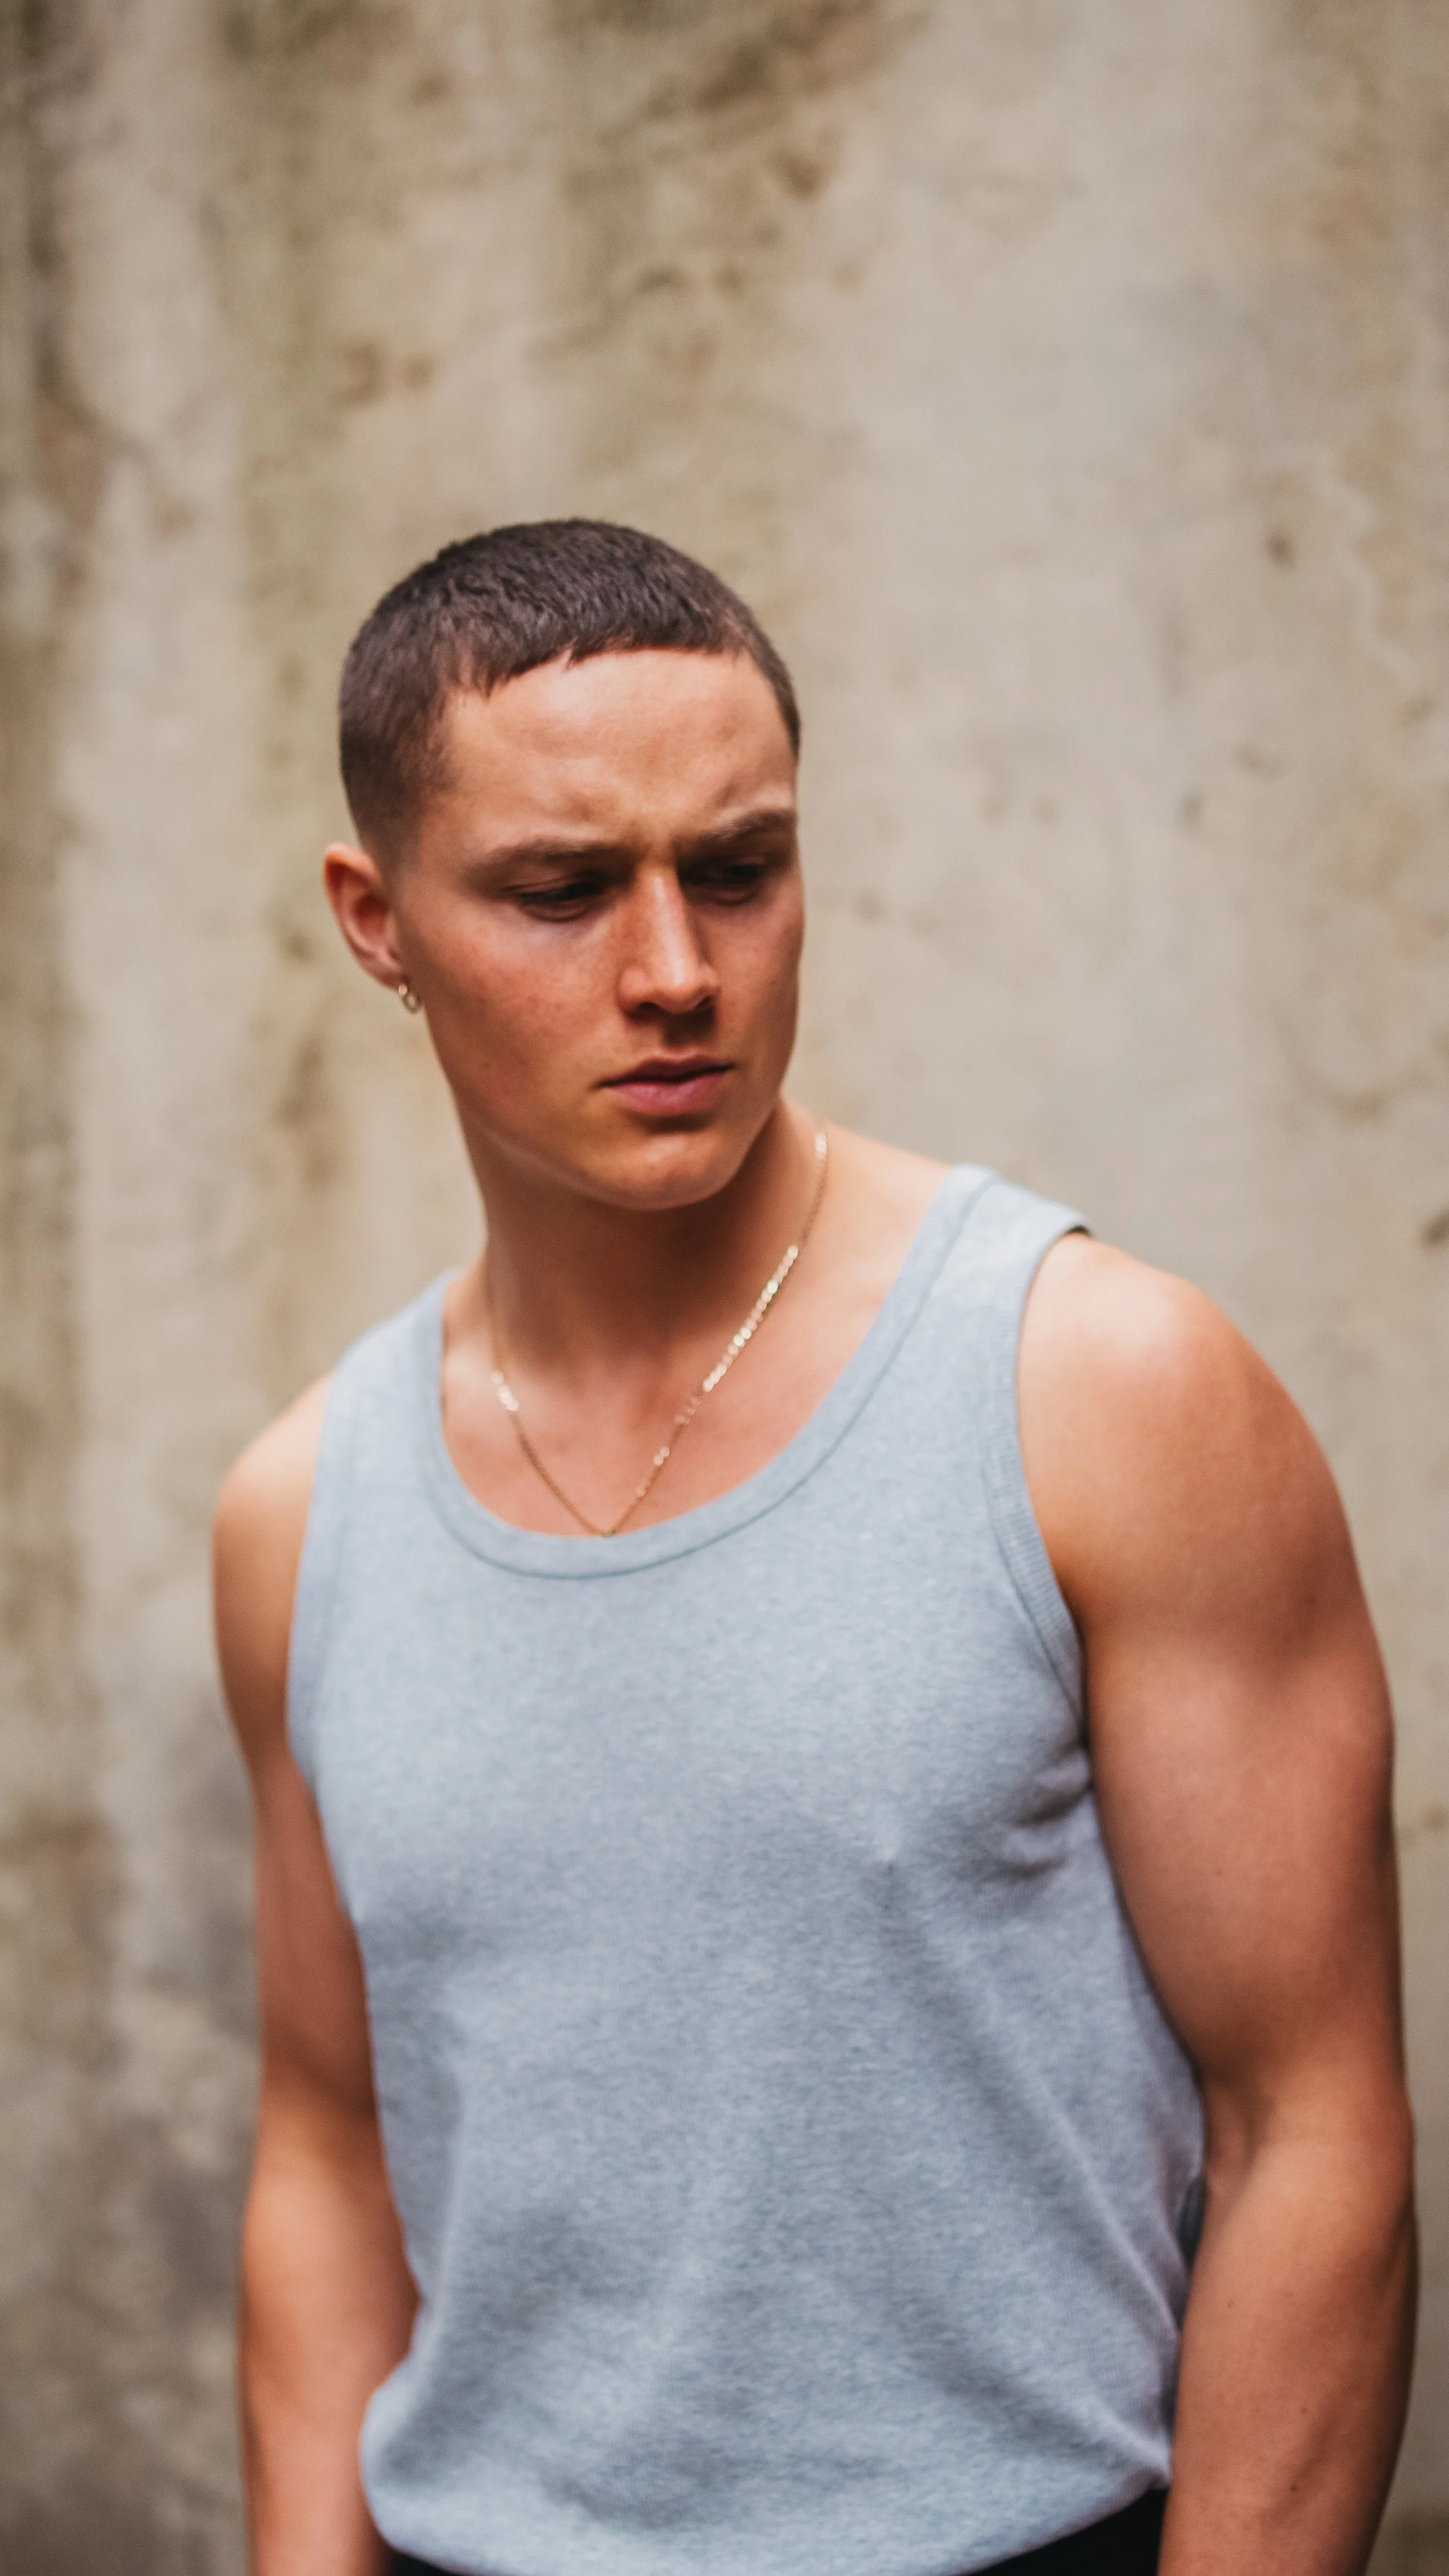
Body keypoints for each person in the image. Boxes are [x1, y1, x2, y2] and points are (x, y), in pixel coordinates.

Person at [215, 520, 1415, 2576]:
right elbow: (330, 2157)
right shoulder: (303, 1512)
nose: (674, 969)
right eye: (561, 889)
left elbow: (1315, 2133)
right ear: (376, 916)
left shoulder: (1099, 1389)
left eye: (738, 868)